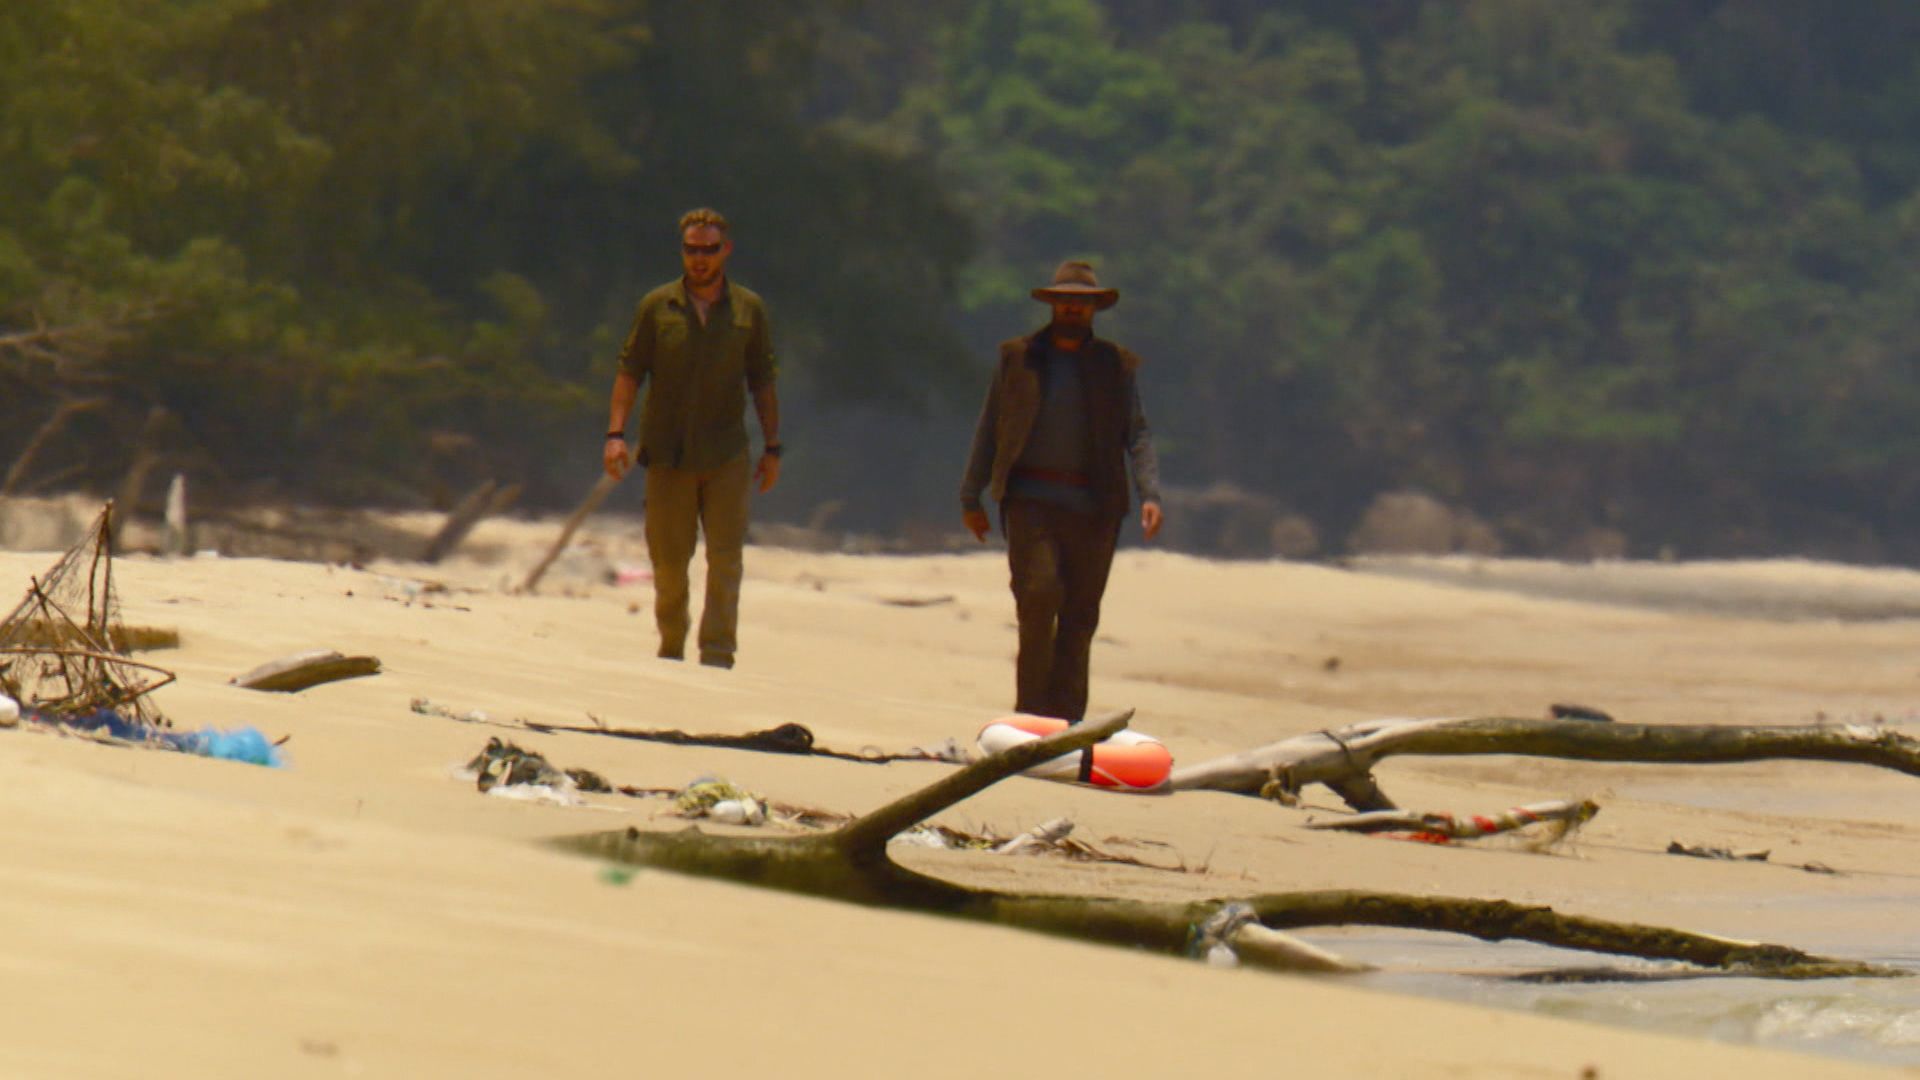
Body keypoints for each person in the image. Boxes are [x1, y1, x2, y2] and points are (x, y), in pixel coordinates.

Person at [960, 260, 1164, 721]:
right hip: (1029, 502)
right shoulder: (1019, 357)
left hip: (1095, 508)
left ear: (1094, 309)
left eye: (1083, 302)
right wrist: (971, 495)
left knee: (1080, 617)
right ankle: (1031, 717)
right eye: (1066, 300)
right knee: (1038, 599)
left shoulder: (1115, 365)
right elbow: (990, 426)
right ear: (1053, 304)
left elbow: (1139, 433)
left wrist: (1150, 493)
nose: (1073, 307)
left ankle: (1067, 721)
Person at [603, 208, 781, 669]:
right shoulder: (657, 306)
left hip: (726, 453)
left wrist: (773, 447)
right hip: (666, 453)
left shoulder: (748, 310)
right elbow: (629, 372)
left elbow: (762, 381)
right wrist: (616, 435)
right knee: (667, 562)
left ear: (726, 251)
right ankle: (670, 647)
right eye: (691, 249)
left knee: (725, 559)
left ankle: (718, 653)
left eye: (709, 250)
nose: (699, 259)